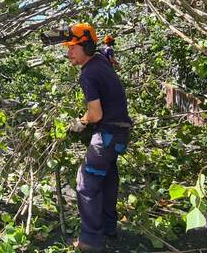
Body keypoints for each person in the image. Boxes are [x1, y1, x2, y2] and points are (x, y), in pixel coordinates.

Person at [64, 23, 132, 252]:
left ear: (88, 47)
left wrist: (80, 122)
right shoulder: (101, 60)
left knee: (87, 182)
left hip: (107, 134)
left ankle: (90, 240)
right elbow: (106, 51)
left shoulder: (89, 73)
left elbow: (95, 114)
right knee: (108, 178)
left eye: (73, 48)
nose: (68, 53)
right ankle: (109, 228)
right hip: (121, 134)